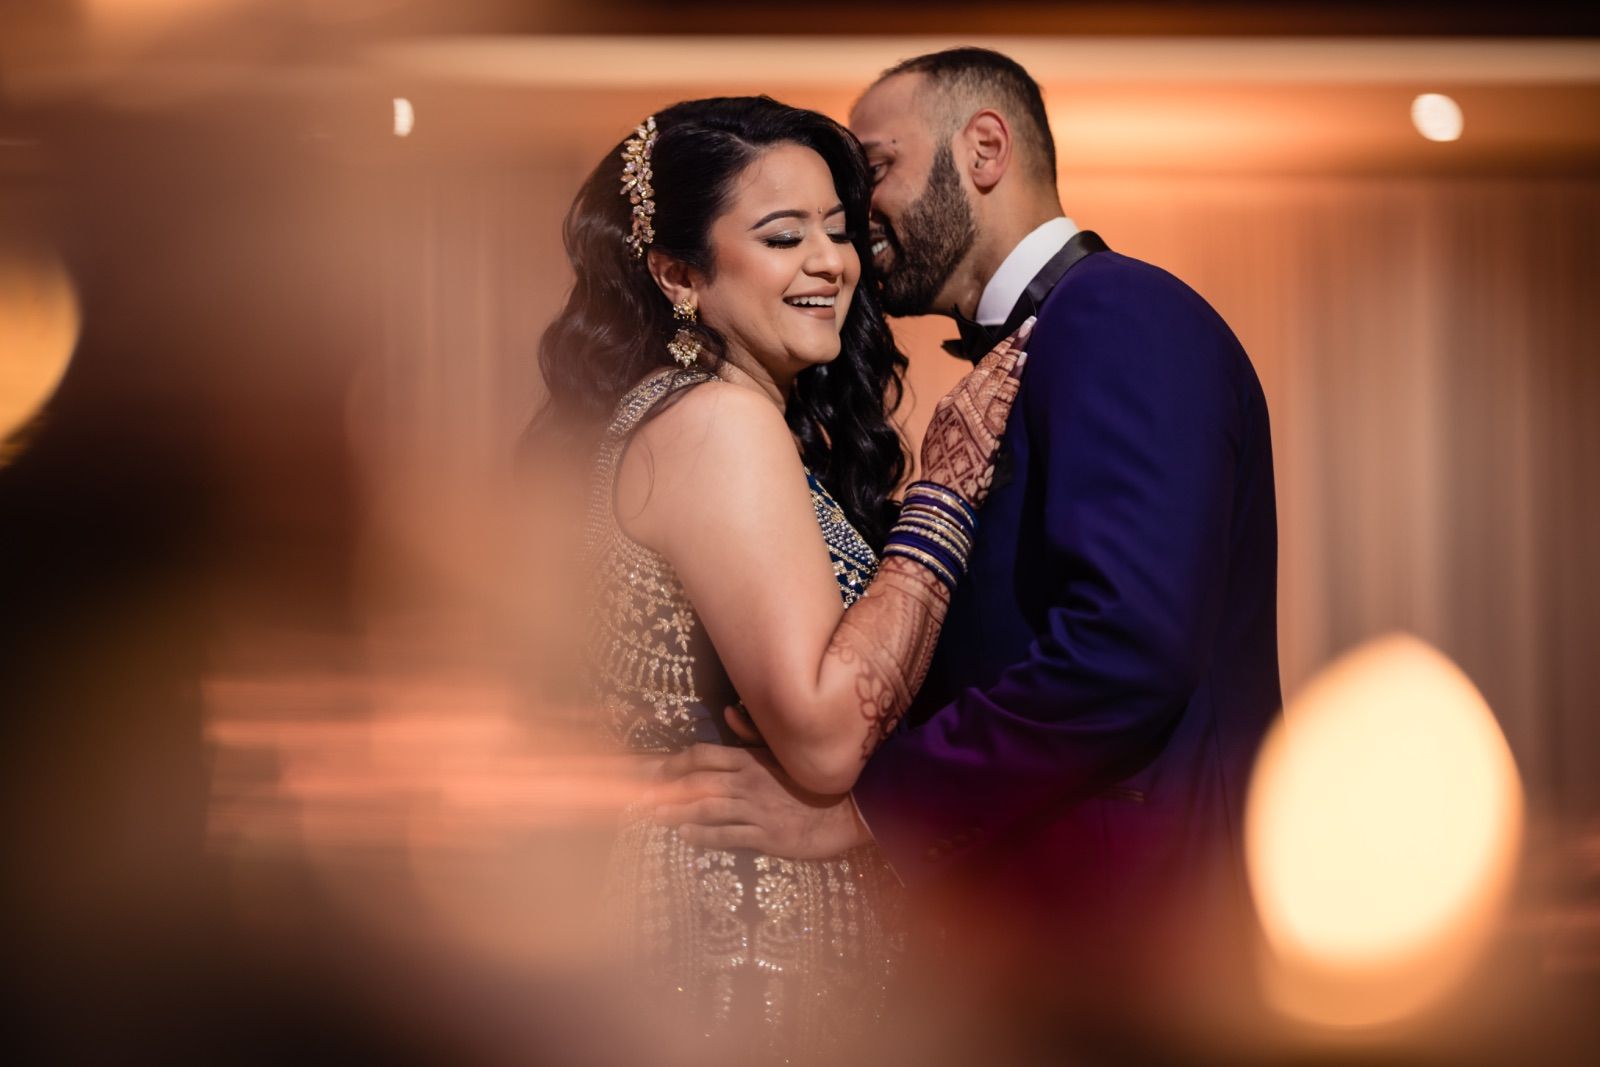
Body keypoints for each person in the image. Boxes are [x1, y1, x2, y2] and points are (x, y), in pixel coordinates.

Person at [657, 48, 1282, 1020]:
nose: (857, 214)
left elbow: (1127, 646)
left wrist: (874, 808)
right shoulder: (1047, 342)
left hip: (1127, 934)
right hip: (1040, 937)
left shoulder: (1120, 312)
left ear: (984, 149)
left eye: (876, 169)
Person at [527, 96, 1029, 1059]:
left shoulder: (670, 416)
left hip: (727, 892)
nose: (832, 262)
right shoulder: (718, 422)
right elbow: (826, 738)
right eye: (784, 236)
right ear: (678, 273)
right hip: (748, 926)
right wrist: (945, 494)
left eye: (839, 231)